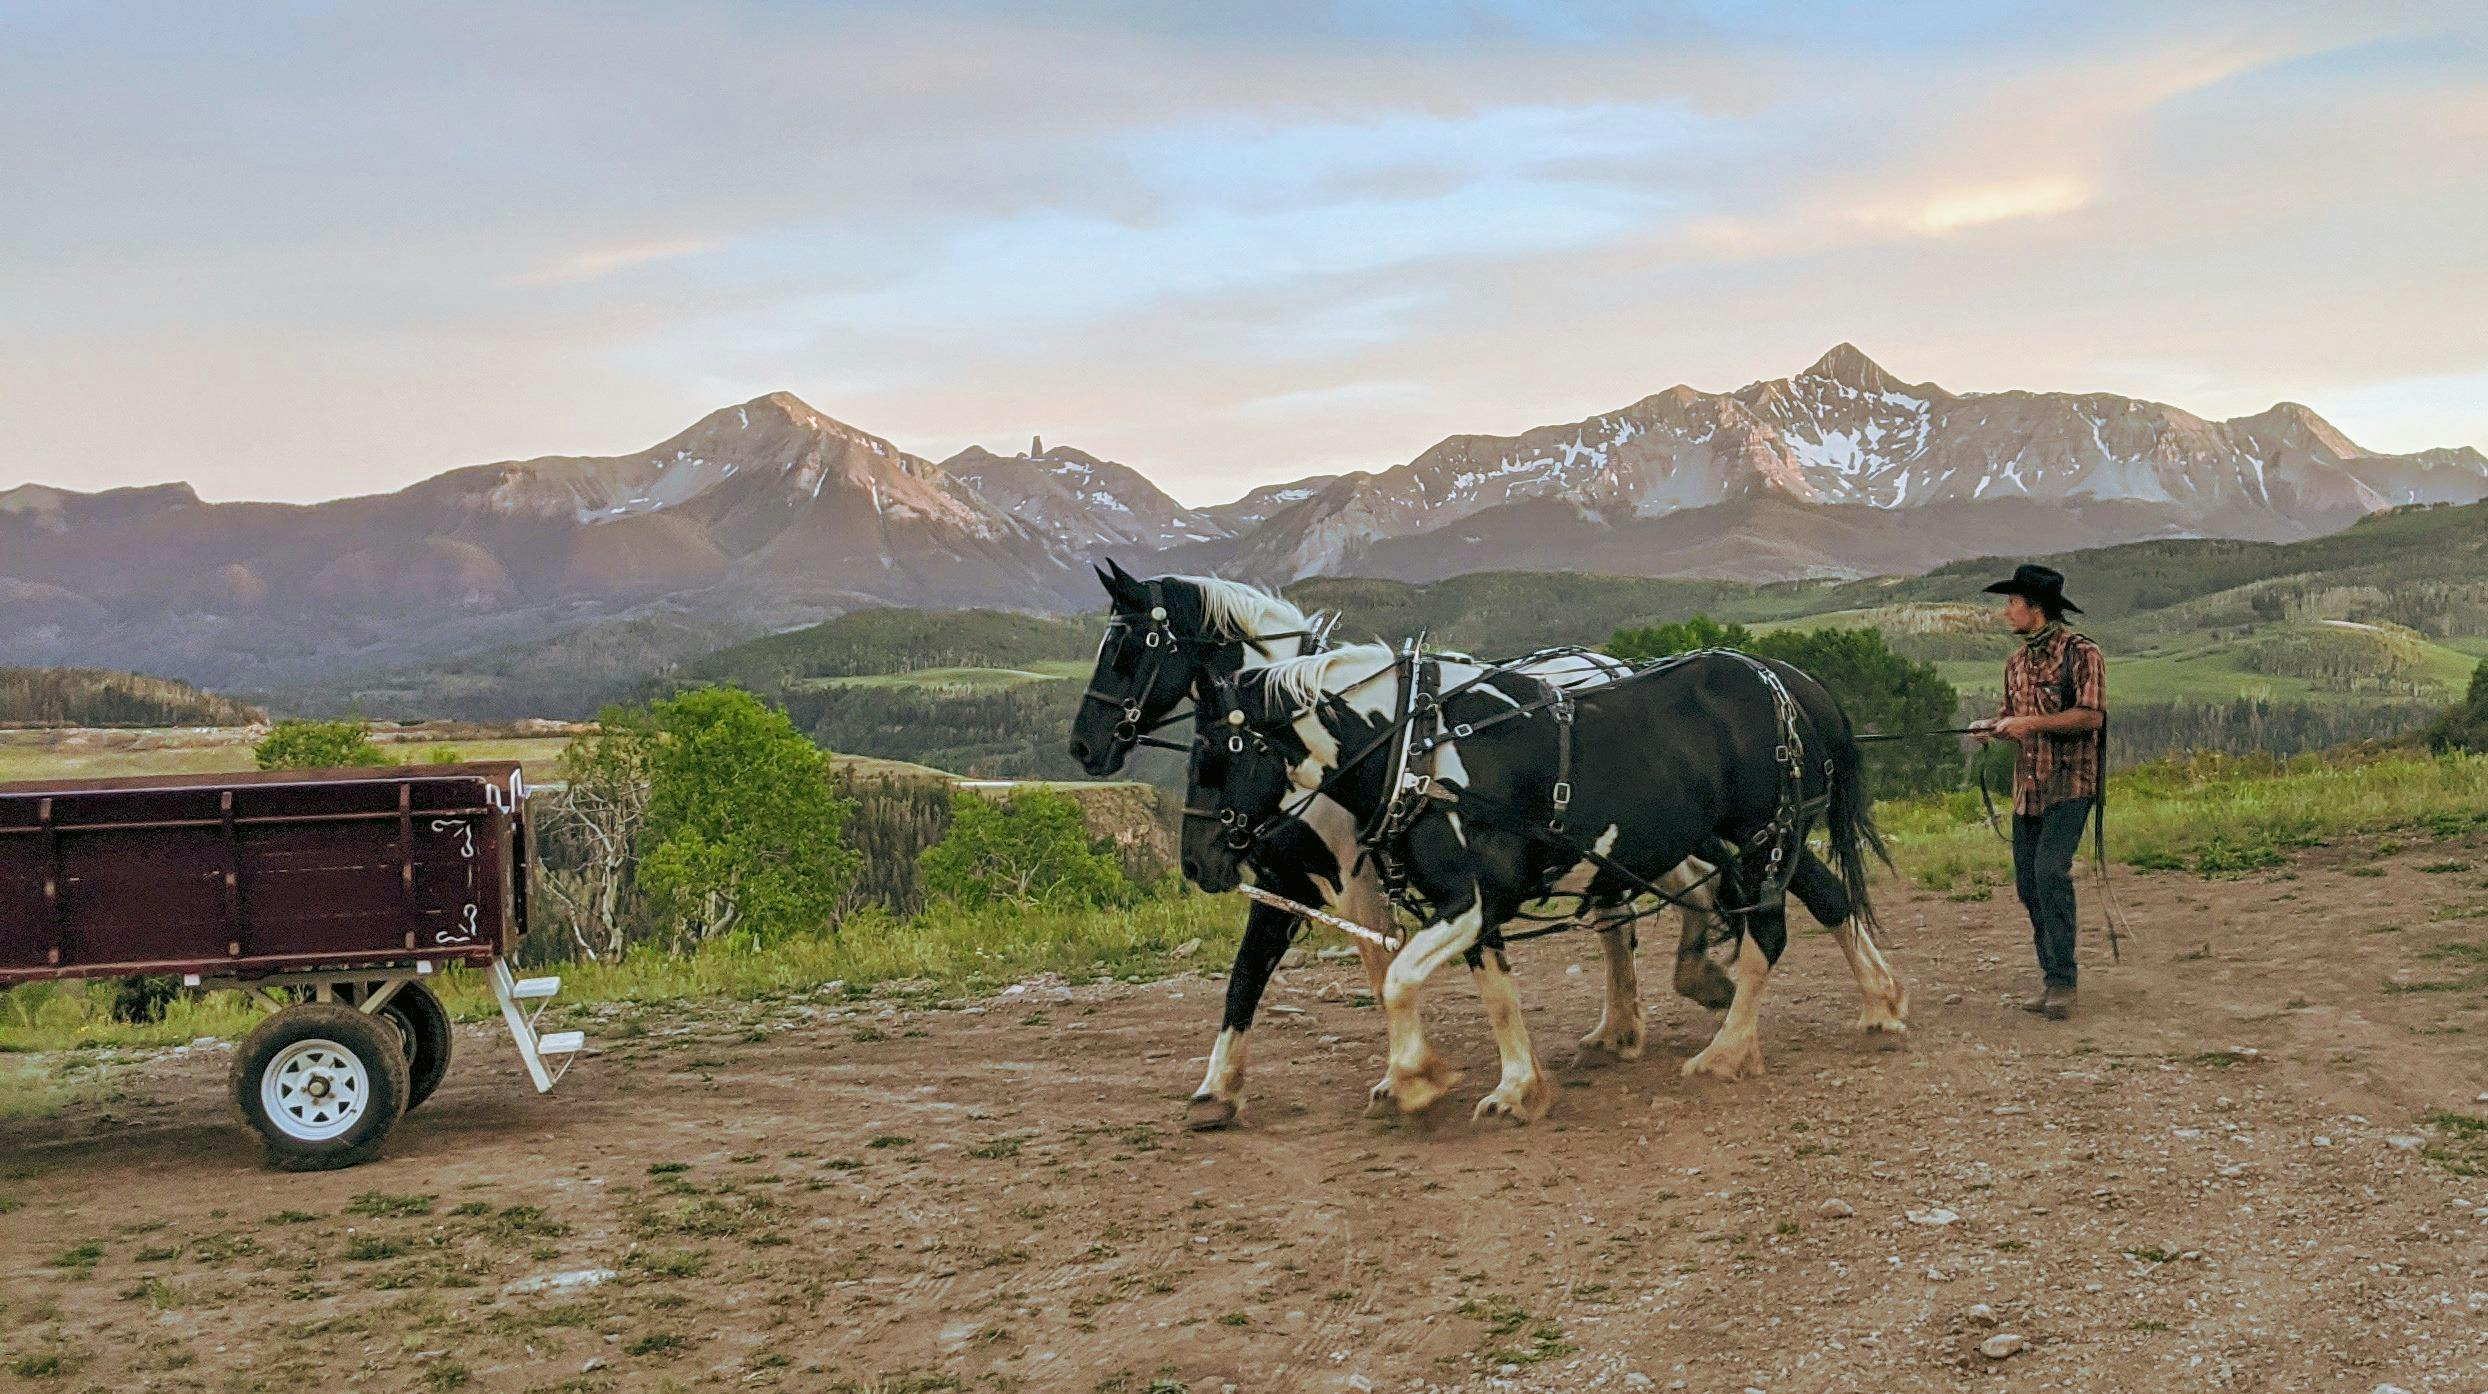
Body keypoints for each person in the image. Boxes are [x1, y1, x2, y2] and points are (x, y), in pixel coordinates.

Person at [1969, 564, 2105, 1020]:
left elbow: (2090, 717)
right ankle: (2052, 976)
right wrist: (1992, 727)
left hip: (2071, 786)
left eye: (2013, 603)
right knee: (2029, 886)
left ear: (2037, 609)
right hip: (2026, 790)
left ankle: (2062, 982)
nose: (2006, 611)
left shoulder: (2083, 655)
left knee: (2050, 874)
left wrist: (2028, 724)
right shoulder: (2015, 664)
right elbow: (2012, 712)